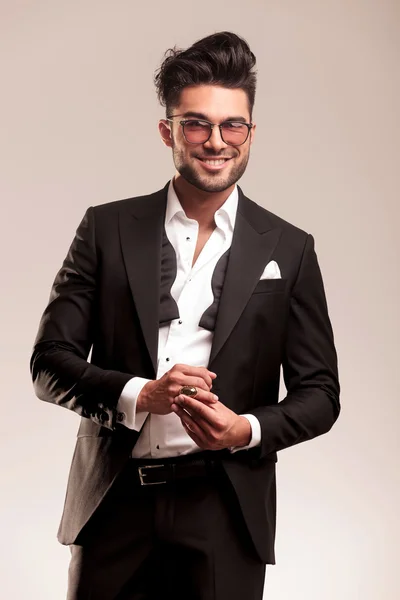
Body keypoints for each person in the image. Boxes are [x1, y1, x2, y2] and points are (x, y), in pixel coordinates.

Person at [30, 31, 340, 600]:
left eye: (233, 125)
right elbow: (49, 363)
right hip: (112, 507)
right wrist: (139, 396)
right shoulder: (105, 229)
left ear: (250, 132)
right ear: (168, 131)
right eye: (196, 123)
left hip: (226, 514)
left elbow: (320, 393)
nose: (216, 141)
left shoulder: (290, 249)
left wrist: (243, 430)